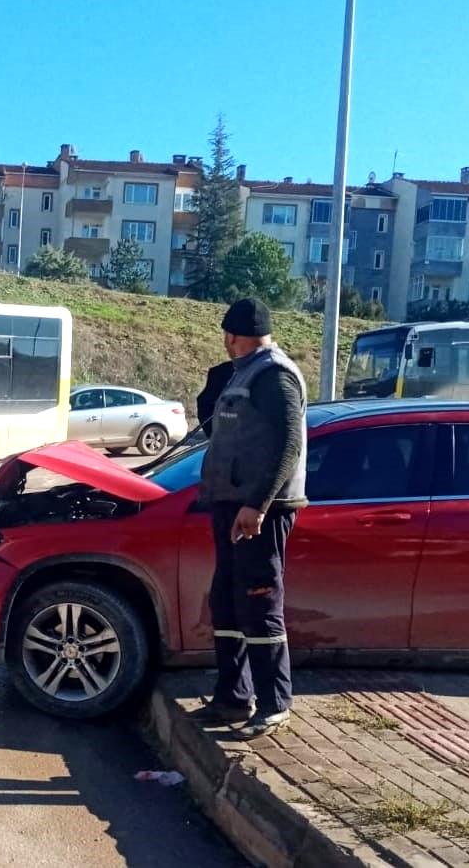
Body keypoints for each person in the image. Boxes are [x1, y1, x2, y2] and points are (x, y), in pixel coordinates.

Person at [192, 297, 307, 739]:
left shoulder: (274, 375)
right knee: (227, 603)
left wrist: (257, 505)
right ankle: (232, 698)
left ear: (234, 335)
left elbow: (288, 446)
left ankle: (275, 703)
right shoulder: (243, 374)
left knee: (259, 606)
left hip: (260, 512)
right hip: (231, 507)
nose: (225, 343)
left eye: (227, 335)